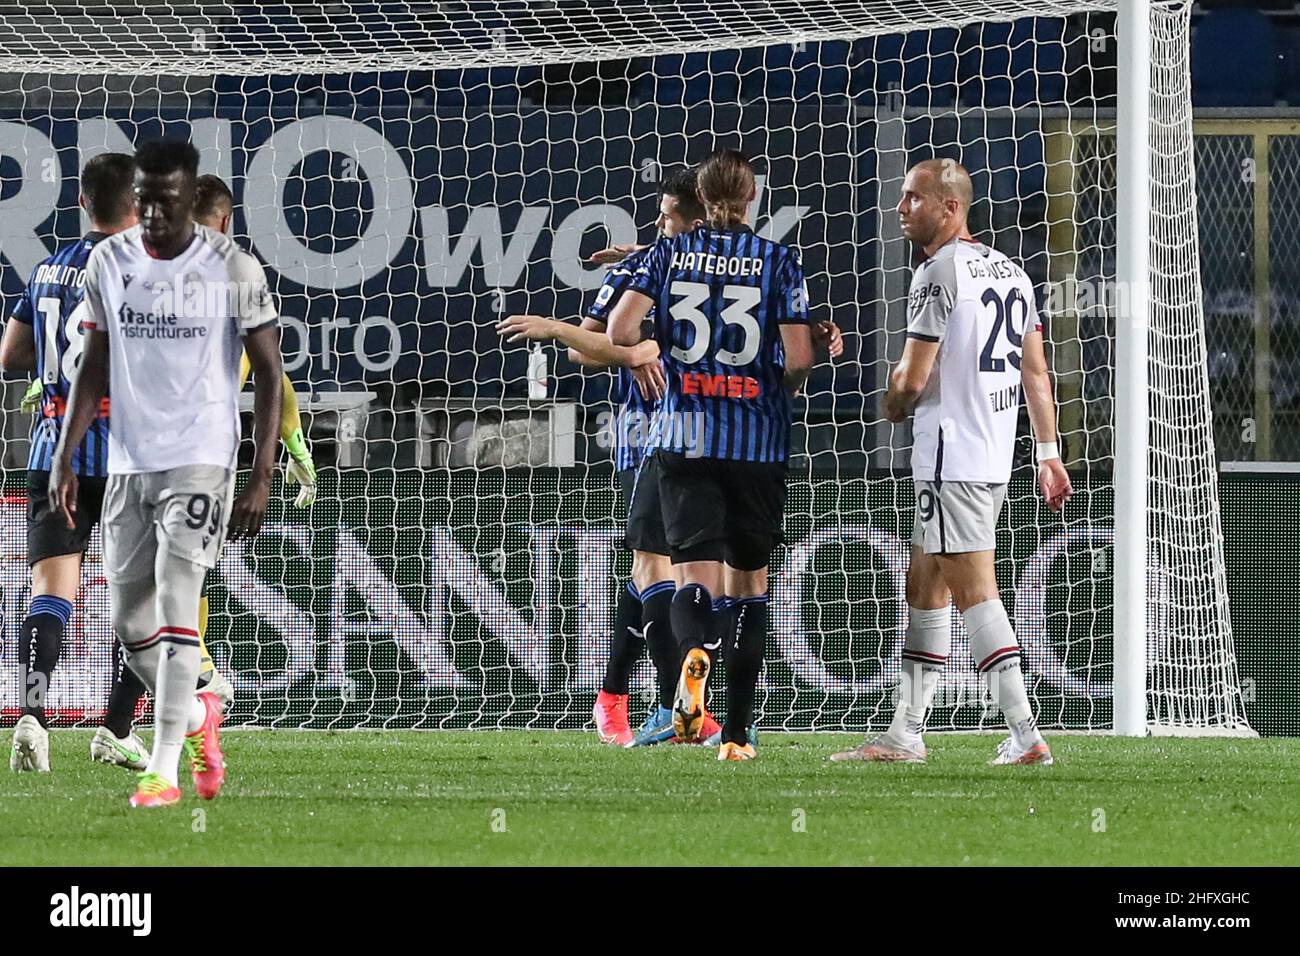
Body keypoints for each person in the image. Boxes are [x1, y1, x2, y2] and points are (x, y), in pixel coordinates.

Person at [51, 139, 283, 806]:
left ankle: (163, 769)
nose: (153, 212)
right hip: (128, 460)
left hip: (201, 459)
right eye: (144, 200)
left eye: (167, 201)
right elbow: (94, 362)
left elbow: (269, 373)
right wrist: (68, 454)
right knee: (129, 622)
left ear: (190, 201)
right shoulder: (108, 261)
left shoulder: (232, 268)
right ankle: (201, 710)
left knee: (178, 600)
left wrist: (259, 473)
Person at [830, 158, 1072, 766]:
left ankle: (1025, 735)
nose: (901, 207)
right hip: (991, 455)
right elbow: (1036, 373)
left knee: (974, 596)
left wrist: (890, 403)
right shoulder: (1012, 272)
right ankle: (906, 731)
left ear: (950, 208)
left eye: (914, 198)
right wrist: (1047, 452)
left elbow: (911, 382)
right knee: (926, 589)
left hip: (950, 457)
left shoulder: (937, 271)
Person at [607, 148, 837, 760]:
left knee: (694, 583)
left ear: (701, 201)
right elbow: (796, 362)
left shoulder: (664, 254)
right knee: (750, 587)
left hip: (684, 438)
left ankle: (693, 667)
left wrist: (655, 353)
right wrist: (780, 376)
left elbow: (620, 333)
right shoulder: (780, 262)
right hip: (756, 442)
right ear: (753, 198)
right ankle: (735, 735)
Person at [1, 153, 139, 771]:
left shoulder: (48, 269)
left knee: (51, 594)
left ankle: (31, 713)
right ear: (139, 205)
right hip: (127, 455)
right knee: (144, 597)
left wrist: (46, 373)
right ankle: (115, 728)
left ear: (81, 203)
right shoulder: (140, 273)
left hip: (50, 450)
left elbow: (10, 354)